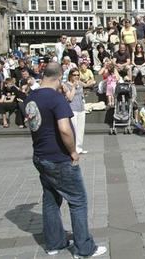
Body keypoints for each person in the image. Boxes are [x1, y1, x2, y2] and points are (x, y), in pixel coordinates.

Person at [25, 63, 107, 257]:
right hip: (59, 158)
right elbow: (64, 128)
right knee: (78, 201)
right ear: (60, 77)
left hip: (40, 155)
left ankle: (54, 243)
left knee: (51, 199)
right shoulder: (56, 98)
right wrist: (73, 152)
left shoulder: (31, 97)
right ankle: (84, 248)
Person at [63, 68, 88, 154]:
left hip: (81, 108)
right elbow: (70, 98)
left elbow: (86, 87)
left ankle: (79, 148)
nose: (76, 77)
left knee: (80, 129)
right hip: (72, 109)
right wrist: (73, 87)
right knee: (74, 129)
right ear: (70, 76)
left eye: (78, 75)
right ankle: (72, 149)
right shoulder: (66, 85)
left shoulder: (79, 84)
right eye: (74, 75)